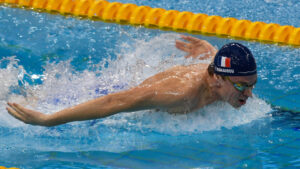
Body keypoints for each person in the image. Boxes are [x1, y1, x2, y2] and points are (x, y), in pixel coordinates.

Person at [6, 35, 257, 127]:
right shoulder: (179, 93)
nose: (249, 94)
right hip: (103, 92)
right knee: (28, 100)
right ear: (215, 79)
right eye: (242, 87)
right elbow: (116, 101)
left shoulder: (225, 82)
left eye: (251, 84)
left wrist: (209, 49)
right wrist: (49, 120)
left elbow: (218, 63)